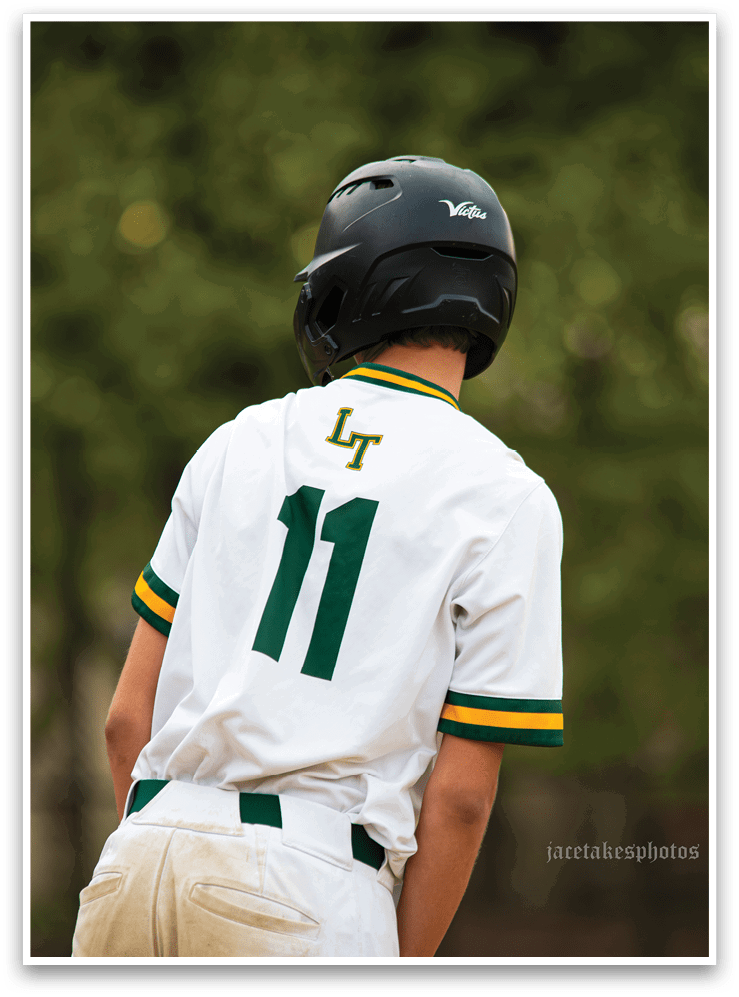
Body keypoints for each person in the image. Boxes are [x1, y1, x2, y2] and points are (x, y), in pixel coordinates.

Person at [71, 155, 563, 959]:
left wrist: (170, 848)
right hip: (311, 882)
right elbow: (463, 798)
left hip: (136, 856)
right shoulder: (506, 494)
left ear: (346, 287)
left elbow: (128, 717)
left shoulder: (240, 439)